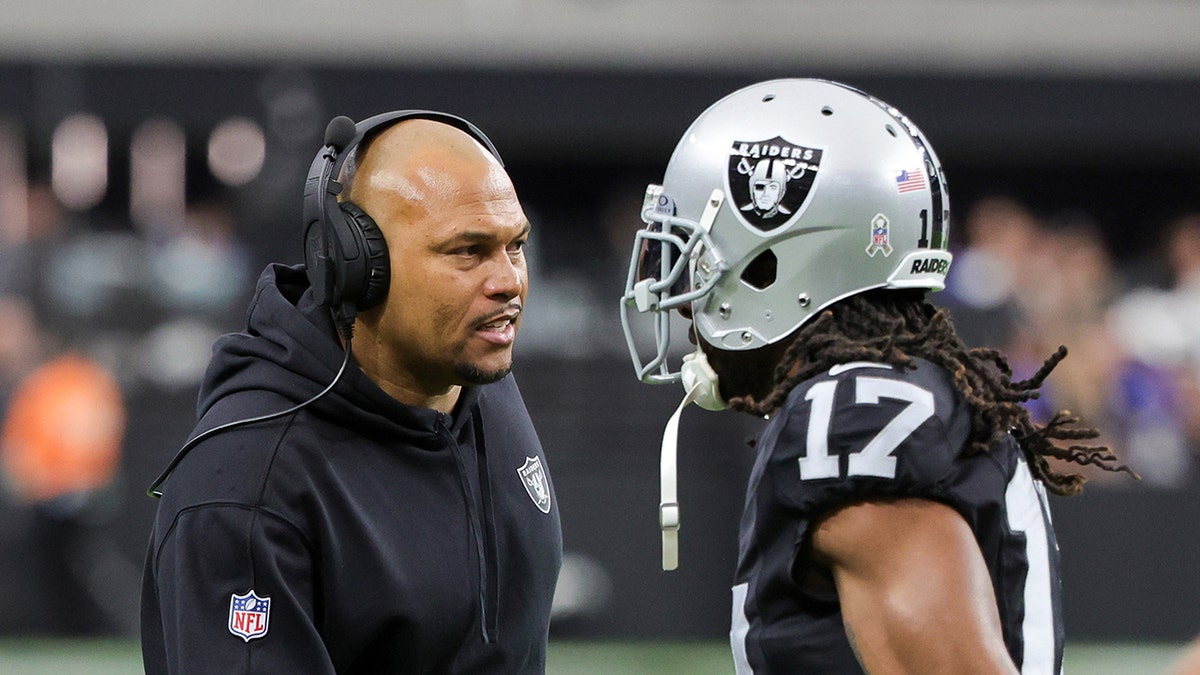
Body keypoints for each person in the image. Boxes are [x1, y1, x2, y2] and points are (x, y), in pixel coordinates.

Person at [619, 79, 1134, 674]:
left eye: (698, 260)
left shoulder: (856, 418)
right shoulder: (898, 393)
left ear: (775, 263)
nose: (684, 304)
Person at [141, 111, 562, 673]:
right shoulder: (247, 484)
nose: (508, 281)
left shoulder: (478, 385)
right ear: (358, 265)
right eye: (468, 251)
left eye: (516, 246)